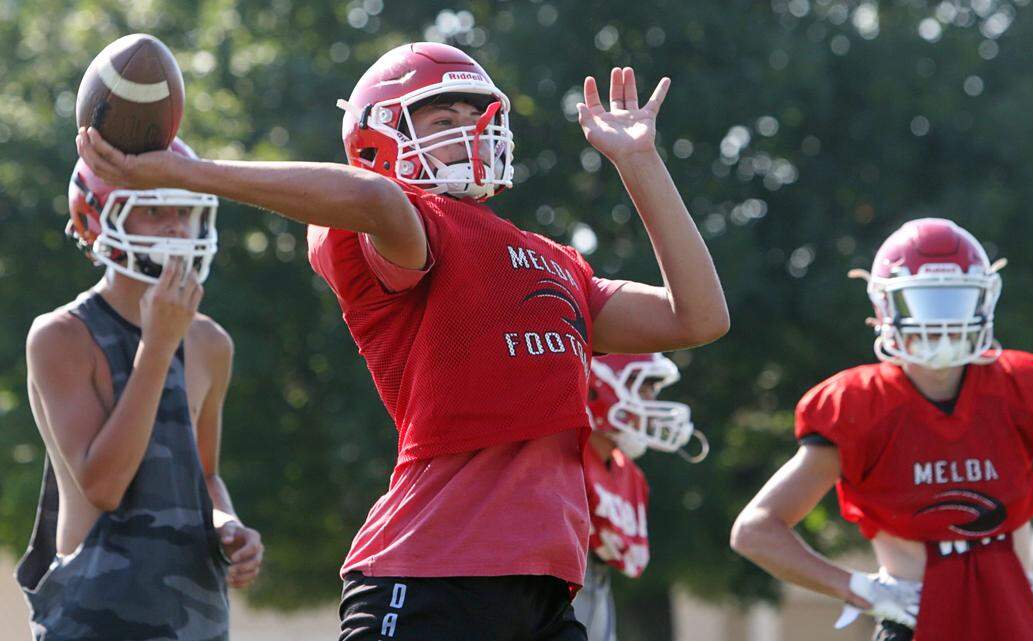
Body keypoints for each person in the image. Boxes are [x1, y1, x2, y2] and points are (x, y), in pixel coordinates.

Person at [76, 42, 729, 641]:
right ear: (375, 140)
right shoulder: (393, 222)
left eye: (476, 115)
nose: (469, 130)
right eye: (442, 119)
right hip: (431, 574)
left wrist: (640, 163)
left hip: (546, 587)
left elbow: (698, 317)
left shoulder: (556, 261)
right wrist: (192, 173)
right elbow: (377, 202)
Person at [729, 218, 1033, 641]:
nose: (940, 322)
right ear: (885, 307)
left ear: (983, 301)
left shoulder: (1020, 390)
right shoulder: (857, 406)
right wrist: (859, 588)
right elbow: (756, 530)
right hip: (915, 626)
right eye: (923, 303)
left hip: (1012, 622)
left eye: (955, 302)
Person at [17, 139, 263, 641]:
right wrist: (158, 346)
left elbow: (204, 476)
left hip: (195, 622)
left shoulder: (210, 342)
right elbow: (104, 487)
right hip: (92, 619)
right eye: (154, 211)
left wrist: (228, 525)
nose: (176, 227)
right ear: (99, 219)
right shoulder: (61, 336)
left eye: (184, 212)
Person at [574, 353, 708, 641]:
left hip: (593, 596)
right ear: (596, 387)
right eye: (640, 385)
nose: (650, 399)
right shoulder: (565, 461)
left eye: (652, 389)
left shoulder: (627, 473)